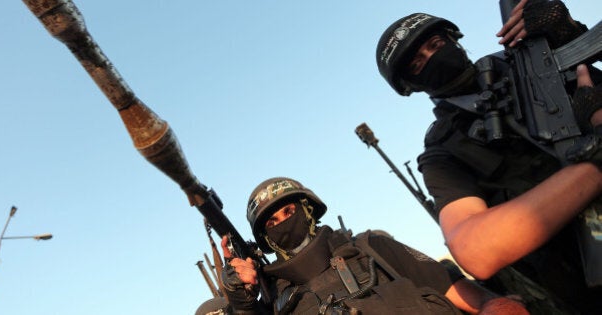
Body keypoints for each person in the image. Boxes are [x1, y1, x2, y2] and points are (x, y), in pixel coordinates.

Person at [375, 0, 602, 313]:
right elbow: (475, 251)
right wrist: (595, 163)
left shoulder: (533, 58)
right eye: (417, 63)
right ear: (411, 85)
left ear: (455, 40)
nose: (432, 57)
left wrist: (569, 34)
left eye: (436, 44)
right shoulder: (442, 152)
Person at [219, 177, 528, 314]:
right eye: (272, 223)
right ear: (266, 241)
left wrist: (502, 308)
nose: (284, 223)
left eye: (289, 212)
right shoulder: (276, 302)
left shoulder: (372, 248)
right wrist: (242, 297)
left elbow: (477, 301)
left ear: (308, 210)